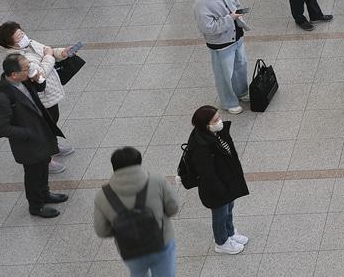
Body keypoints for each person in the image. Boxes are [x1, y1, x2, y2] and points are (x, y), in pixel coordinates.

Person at [0, 53, 67, 217]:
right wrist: (26, 133)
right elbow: (1, 128)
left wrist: (38, 79)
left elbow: (39, 90)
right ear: (14, 74)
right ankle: (36, 206)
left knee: (43, 166)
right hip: (27, 143)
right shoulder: (3, 97)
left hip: (40, 132)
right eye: (26, 68)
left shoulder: (24, 80)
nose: (30, 69)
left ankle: (45, 194)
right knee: (33, 174)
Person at [94, 146, 180, 275]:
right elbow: (173, 208)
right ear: (139, 162)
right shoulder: (157, 181)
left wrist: (124, 227)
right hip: (162, 242)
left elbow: (101, 230)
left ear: (114, 167)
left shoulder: (102, 195)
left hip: (130, 249)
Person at [185, 104, 251, 252]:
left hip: (226, 181)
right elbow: (207, 174)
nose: (219, 121)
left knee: (229, 209)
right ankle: (221, 242)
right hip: (216, 189)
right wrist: (221, 190)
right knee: (220, 215)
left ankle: (230, 232)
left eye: (218, 117)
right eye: (215, 120)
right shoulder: (201, 147)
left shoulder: (216, 134)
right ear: (205, 125)